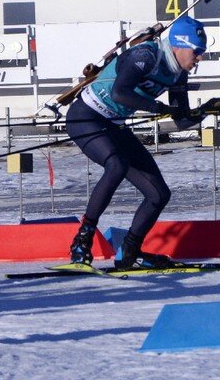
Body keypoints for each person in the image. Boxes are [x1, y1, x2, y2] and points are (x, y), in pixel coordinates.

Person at [65, 16, 211, 270]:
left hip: (114, 125)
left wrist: (209, 109)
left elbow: (181, 121)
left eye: (201, 53)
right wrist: (155, 107)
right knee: (117, 166)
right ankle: (82, 240)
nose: (199, 59)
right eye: (196, 52)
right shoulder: (146, 55)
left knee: (158, 194)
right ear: (179, 44)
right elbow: (119, 93)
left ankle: (130, 252)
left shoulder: (178, 75)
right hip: (86, 117)